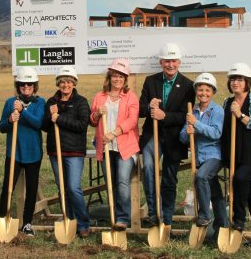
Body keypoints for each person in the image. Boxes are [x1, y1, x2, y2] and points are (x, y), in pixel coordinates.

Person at [139, 43, 195, 227]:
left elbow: (184, 115)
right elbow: (140, 109)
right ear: (161, 62)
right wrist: (149, 107)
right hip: (152, 135)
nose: (170, 65)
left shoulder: (188, 86)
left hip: (174, 138)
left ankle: (167, 217)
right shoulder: (150, 81)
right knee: (148, 168)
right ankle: (154, 213)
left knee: (170, 177)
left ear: (179, 62)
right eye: (166, 61)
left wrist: (165, 116)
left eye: (173, 61)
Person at [90, 58, 139, 230]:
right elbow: (93, 121)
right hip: (105, 147)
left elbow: (132, 121)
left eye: (121, 76)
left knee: (122, 181)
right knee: (111, 182)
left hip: (125, 146)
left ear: (125, 79)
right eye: (115, 76)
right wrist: (96, 114)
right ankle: (114, 214)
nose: (117, 79)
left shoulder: (130, 97)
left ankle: (123, 219)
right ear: (109, 77)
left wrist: (113, 133)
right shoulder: (99, 97)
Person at [42, 66, 91, 238]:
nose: (65, 85)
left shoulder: (81, 102)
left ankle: (84, 222)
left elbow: (82, 125)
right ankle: (69, 220)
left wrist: (60, 118)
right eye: (62, 82)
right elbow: (45, 126)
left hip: (74, 152)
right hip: (56, 151)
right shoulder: (51, 102)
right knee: (62, 188)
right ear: (58, 83)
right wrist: (50, 116)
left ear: (74, 83)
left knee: (73, 187)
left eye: (69, 81)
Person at [0, 67, 45, 236]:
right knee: (7, 188)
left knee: (32, 189)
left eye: (30, 84)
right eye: (23, 84)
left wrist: (23, 111)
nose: (26, 87)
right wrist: (10, 119)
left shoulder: (40, 103)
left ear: (34, 86)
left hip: (33, 153)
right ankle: (3, 217)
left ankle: (27, 223)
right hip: (14, 153)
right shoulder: (10, 102)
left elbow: (38, 123)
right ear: (18, 85)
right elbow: (1, 127)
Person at [179, 73, 228, 236]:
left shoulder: (217, 110)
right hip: (199, 157)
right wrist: (188, 131)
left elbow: (216, 133)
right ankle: (222, 226)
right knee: (214, 192)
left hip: (214, 156)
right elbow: (182, 138)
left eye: (207, 90)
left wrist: (196, 124)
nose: (203, 93)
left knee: (201, 177)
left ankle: (205, 216)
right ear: (196, 91)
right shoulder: (191, 111)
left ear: (212, 92)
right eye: (200, 90)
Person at [221, 62, 251, 247]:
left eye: (239, 79)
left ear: (247, 82)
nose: (235, 82)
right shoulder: (227, 102)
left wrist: (241, 116)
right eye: (233, 79)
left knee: (240, 179)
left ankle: (239, 220)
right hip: (234, 153)